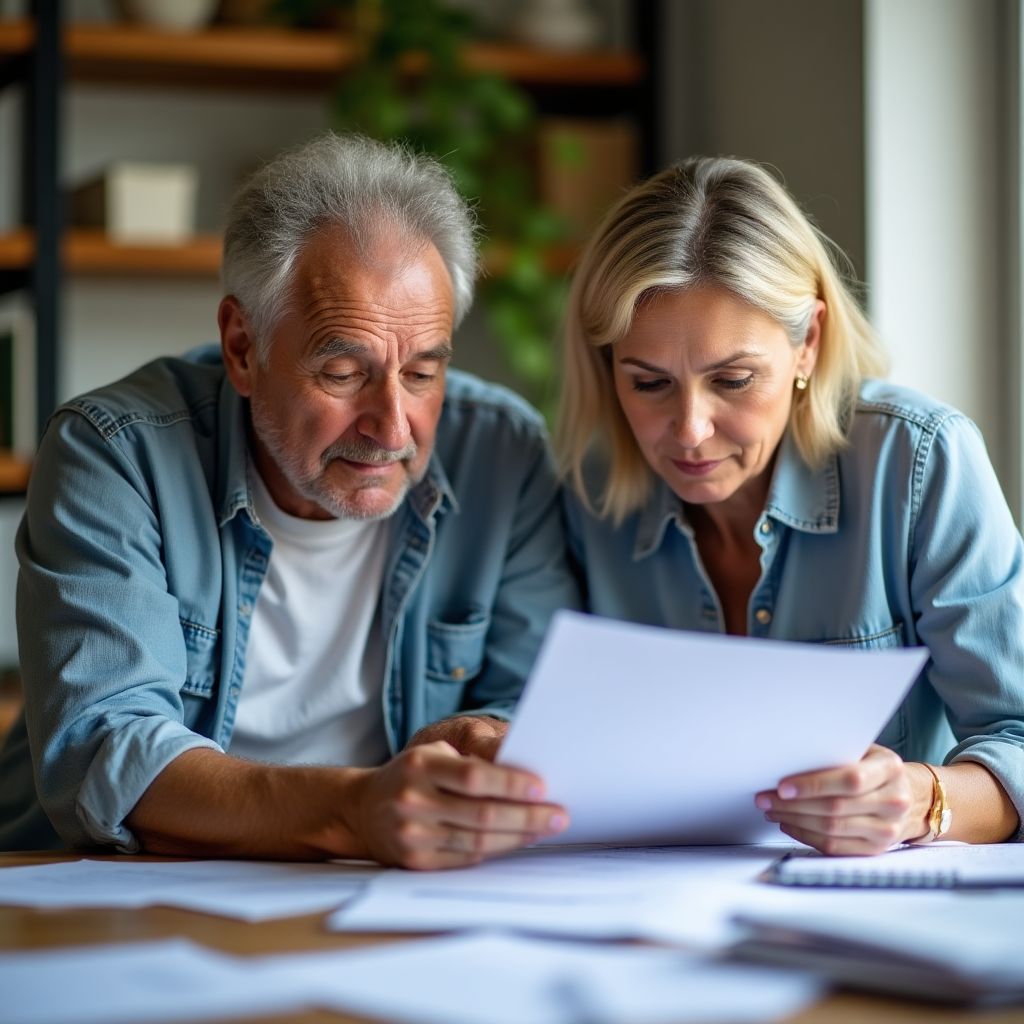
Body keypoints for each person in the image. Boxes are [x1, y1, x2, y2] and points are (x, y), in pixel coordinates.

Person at [0, 132, 578, 868]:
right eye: (342, 372)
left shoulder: (503, 454)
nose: (392, 428)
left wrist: (485, 742)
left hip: (387, 895)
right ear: (243, 347)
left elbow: (534, 698)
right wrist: (354, 809)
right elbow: (104, 750)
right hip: (108, 890)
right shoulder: (116, 452)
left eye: (424, 373)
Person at [558, 155, 1024, 855]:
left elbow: (1016, 735)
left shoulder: (919, 462)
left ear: (808, 342)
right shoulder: (589, 491)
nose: (688, 430)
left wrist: (921, 800)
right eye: (649, 383)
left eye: (734, 379)